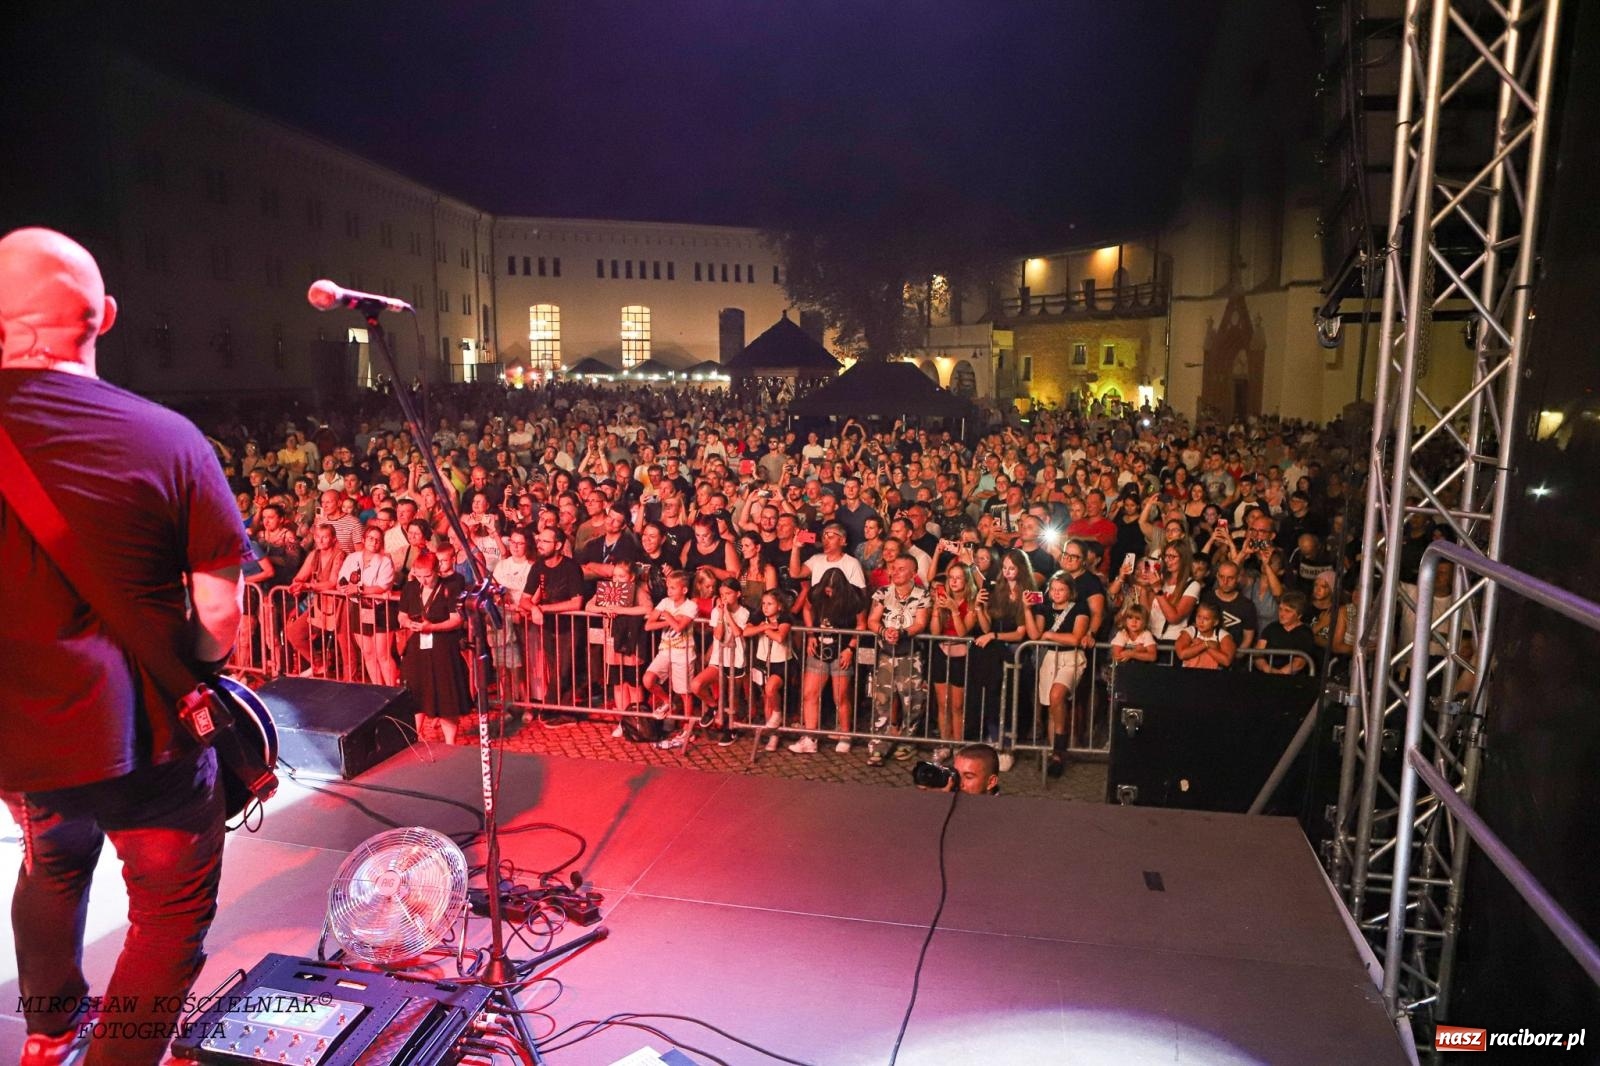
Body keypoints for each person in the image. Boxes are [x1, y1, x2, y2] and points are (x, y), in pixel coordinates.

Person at [0, 227, 248, 1066]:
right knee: (169, 910)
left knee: (50, 861)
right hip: (144, 737)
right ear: (103, 315)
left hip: (16, 742)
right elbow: (220, 612)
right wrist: (198, 672)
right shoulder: (167, 438)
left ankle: (48, 1033)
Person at [865, 554, 932, 767]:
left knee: (912, 701)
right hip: (886, 655)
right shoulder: (883, 593)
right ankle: (878, 745)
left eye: (902, 568)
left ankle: (907, 741)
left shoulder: (922, 595)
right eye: (894, 568)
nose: (895, 572)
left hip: (910, 655)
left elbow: (921, 622)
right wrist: (884, 631)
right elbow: (872, 620)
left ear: (913, 573)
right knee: (882, 700)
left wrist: (902, 633)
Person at [398, 551, 472, 743]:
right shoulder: (411, 587)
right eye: (419, 576)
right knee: (416, 692)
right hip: (418, 646)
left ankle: (450, 742)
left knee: (447, 695)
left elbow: (456, 620)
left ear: (437, 570)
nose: (423, 581)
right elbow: (402, 614)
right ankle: (413, 737)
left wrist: (432, 627)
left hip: (443, 646)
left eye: (428, 576)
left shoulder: (452, 586)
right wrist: (408, 624)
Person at [1027, 569, 1092, 775]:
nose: (1056, 593)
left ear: (1070, 590)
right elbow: (1035, 635)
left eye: (1061, 589)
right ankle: (1055, 755)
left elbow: (1075, 638)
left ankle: (1059, 750)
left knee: (1057, 695)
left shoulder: (1080, 608)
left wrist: (1050, 634)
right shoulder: (1043, 608)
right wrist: (1027, 610)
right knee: (1052, 707)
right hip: (1050, 657)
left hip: (1071, 657)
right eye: (1053, 589)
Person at [643, 570, 700, 744]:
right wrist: (668, 620)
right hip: (665, 649)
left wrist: (667, 616)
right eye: (668, 587)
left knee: (684, 692)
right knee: (648, 680)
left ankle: (687, 729)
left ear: (684, 590)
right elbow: (648, 625)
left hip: (683, 652)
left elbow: (679, 627)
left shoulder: (691, 606)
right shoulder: (664, 602)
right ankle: (668, 702)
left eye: (673, 587)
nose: (669, 591)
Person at [1175, 601, 1237, 670]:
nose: (1201, 622)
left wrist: (1205, 646)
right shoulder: (1190, 631)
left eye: (1206, 619)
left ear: (1215, 622)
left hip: (1213, 677)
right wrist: (1205, 644)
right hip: (1189, 675)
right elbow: (1181, 654)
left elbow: (1226, 661)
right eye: (1199, 617)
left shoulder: (1222, 635)